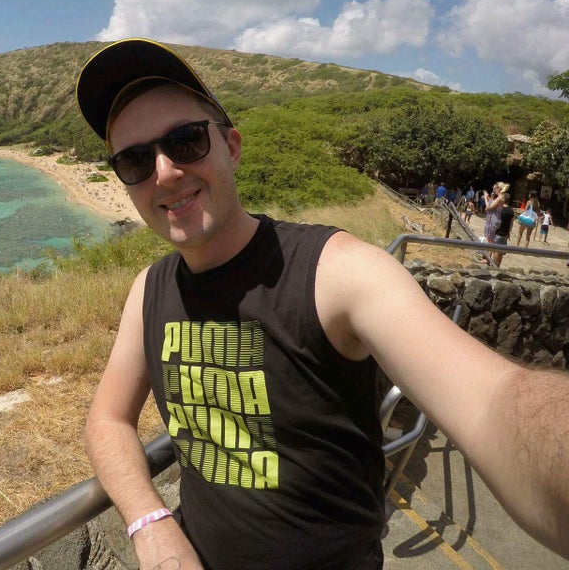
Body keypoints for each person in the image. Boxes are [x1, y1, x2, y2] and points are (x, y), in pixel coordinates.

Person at [77, 38, 569, 570]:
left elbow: (494, 402)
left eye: (187, 141)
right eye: (134, 160)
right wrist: (150, 524)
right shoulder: (149, 290)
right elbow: (107, 420)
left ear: (233, 147)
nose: (165, 171)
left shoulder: (337, 271)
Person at [491, 193, 515, 267]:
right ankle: (498, 265)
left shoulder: (500, 209)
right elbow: (511, 224)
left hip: (498, 232)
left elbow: (495, 222)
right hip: (505, 233)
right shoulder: (511, 211)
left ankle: (494, 265)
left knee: (495, 250)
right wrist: (509, 233)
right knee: (501, 251)